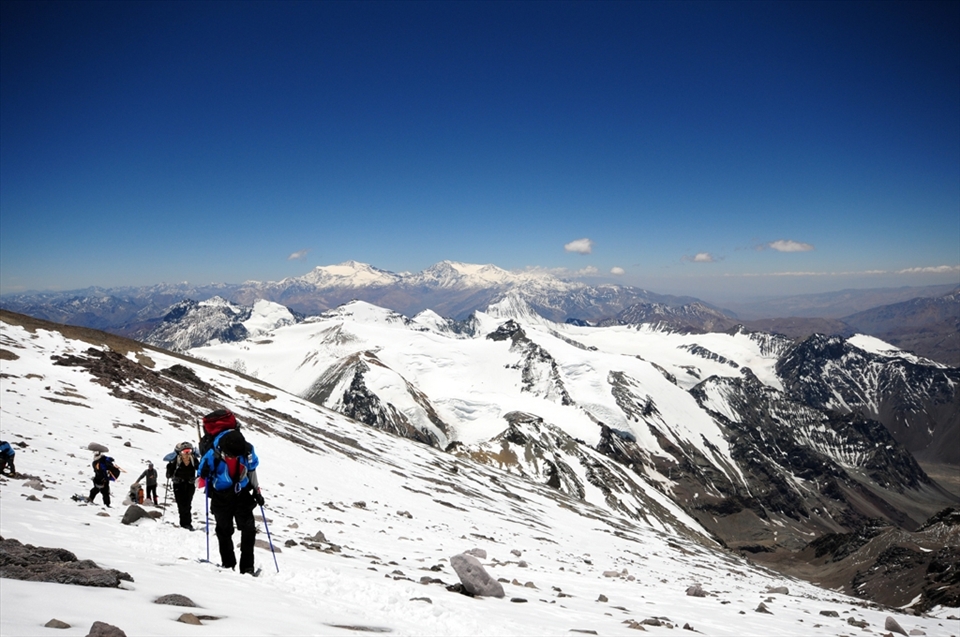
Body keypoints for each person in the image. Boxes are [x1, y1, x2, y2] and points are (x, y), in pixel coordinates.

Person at [197, 429, 264, 575]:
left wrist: (257, 491)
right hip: (221, 496)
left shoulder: (247, 451)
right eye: (230, 455)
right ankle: (228, 564)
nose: (232, 457)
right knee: (224, 531)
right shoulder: (213, 454)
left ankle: (247, 568)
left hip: (242, 494)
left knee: (249, 530)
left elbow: (252, 470)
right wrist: (204, 474)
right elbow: (199, 480)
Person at [166, 443, 198, 530]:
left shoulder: (193, 460)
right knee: (181, 504)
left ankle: (187, 523)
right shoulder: (176, 460)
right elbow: (169, 475)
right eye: (185, 451)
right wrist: (169, 469)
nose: (187, 453)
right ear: (180, 452)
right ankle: (185, 523)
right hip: (178, 485)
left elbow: (200, 469)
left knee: (187, 504)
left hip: (189, 484)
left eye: (189, 451)